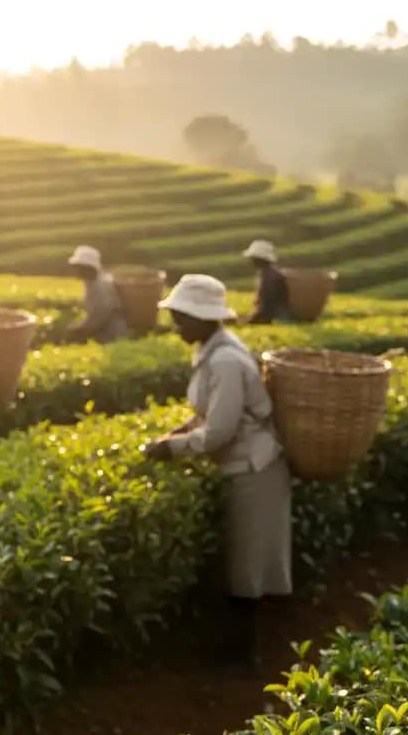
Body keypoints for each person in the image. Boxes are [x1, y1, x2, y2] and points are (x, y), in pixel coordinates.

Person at [142, 274, 292, 675]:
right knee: (242, 560)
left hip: (255, 468)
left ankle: (245, 658)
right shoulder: (214, 350)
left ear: (204, 318)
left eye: (182, 318)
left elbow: (223, 430)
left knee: (247, 564)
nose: (177, 326)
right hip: (243, 463)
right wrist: (183, 429)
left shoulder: (225, 359)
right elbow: (212, 411)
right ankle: (239, 650)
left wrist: (172, 448)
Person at [64, 245, 130, 344]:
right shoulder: (91, 282)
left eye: (78, 267)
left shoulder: (101, 285)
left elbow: (100, 315)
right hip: (104, 333)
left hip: (112, 335)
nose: (75, 270)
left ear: (87, 268)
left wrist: (80, 329)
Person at [242, 239, 291, 324]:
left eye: (253, 258)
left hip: (277, 317)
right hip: (277, 314)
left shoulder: (269, 277)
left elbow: (266, 307)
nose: (251, 261)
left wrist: (249, 320)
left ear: (260, 259)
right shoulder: (269, 273)